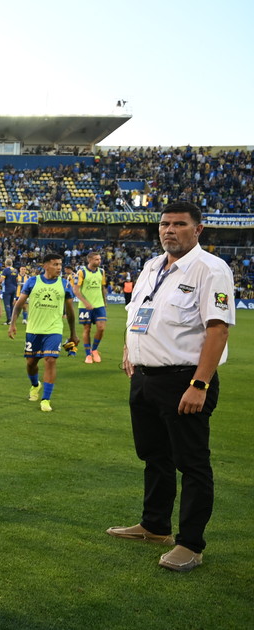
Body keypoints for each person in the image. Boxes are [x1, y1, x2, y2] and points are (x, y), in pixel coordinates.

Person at [110, 201, 235, 573]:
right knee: (154, 456)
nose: (169, 230)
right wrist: (129, 350)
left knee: (192, 463)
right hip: (145, 379)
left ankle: (191, 544)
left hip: (184, 380)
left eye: (179, 224)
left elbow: (218, 330)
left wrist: (200, 383)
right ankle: (154, 526)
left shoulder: (211, 269)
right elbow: (137, 314)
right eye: (165, 224)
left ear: (198, 229)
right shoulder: (151, 266)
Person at [7, 253, 79, 412]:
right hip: (34, 329)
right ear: (45, 266)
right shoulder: (33, 282)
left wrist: (73, 333)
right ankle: (35, 385)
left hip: (54, 329)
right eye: (55, 264)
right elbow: (19, 304)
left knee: (50, 360)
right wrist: (12, 324)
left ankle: (46, 399)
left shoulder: (65, 284)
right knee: (31, 363)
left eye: (60, 264)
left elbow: (70, 311)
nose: (59, 268)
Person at [75, 251, 108, 364]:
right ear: (89, 260)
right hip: (85, 306)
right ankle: (88, 355)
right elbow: (76, 290)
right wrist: (86, 303)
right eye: (96, 259)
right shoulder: (82, 272)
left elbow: (102, 287)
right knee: (87, 329)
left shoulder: (102, 271)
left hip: (99, 305)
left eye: (99, 259)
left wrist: (105, 302)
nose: (99, 261)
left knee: (101, 328)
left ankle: (94, 350)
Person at [0, 257, 19, 322]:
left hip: (7, 289)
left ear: (5, 263)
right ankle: (12, 319)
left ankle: (9, 320)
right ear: (12, 263)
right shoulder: (15, 270)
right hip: (14, 288)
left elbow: (1, 280)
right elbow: (17, 280)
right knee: (12, 304)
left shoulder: (5, 270)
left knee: (7, 304)